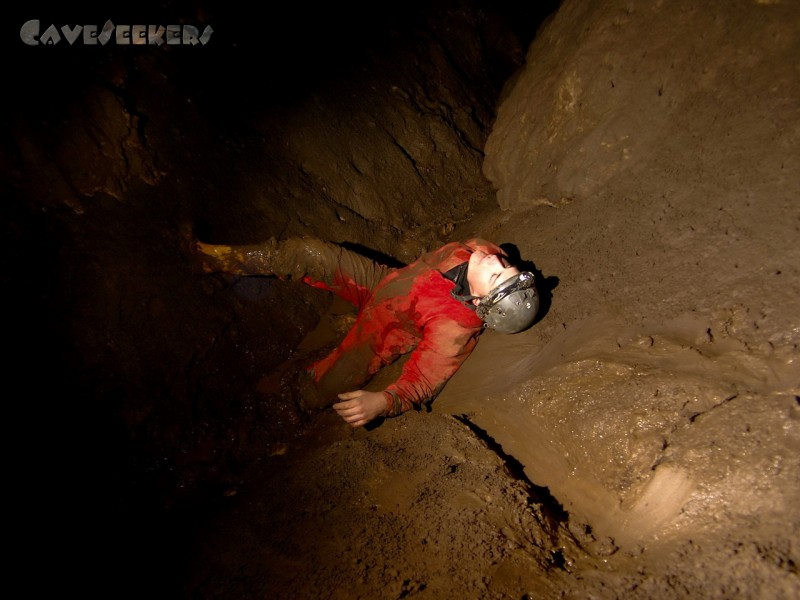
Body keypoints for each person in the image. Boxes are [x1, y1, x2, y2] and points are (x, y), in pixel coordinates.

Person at [191, 235, 539, 428]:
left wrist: (382, 402)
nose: (496, 263)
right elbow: (493, 261)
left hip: (384, 333)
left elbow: (422, 380)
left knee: (316, 388)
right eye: (506, 266)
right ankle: (214, 258)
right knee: (305, 253)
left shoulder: (454, 328)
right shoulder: (485, 251)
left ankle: (259, 425)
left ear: (478, 302)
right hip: (381, 282)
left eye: (496, 275)